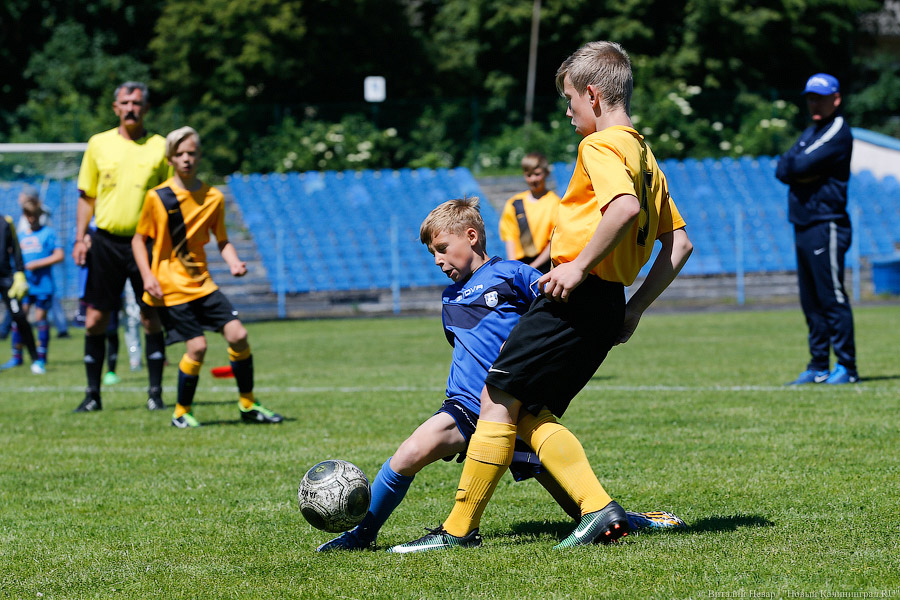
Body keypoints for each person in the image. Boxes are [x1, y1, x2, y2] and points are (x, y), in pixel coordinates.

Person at [389, 41, 693, 553]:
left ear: (593, 95)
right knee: (529, 410)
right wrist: (634, 309)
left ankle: (459, 533)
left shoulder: (600, 145)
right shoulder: (643, 153)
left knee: (497, 396)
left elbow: (619, 209)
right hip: (609, 301)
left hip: (579, 293)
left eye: (570, 99)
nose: (568, 110)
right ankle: (599, 510)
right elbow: (679, 244)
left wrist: (576, 267)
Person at [317, 198, 685, 552]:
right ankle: (361, 535)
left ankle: (637, 520)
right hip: (464, 406)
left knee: (576, 506)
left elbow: (549, 317)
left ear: (471, 237)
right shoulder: (449, 298)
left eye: (442, 248)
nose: (438, 260)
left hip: (514, 405)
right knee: (407, 455)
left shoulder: (513, 275)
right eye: (432, 253)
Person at [132, 126, 283, 427]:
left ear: (199, 156)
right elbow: (139, 240)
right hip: (171, 287)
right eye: (180, 154)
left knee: (238, 335)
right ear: (170, 158)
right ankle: (181, 412)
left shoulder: (213, 197)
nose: (186, 159)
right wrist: (148, 276)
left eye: (192, 153)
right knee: (197, 346)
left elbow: (222, 240)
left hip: (203, 284)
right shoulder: (157, 197)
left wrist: (235, 262)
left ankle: (248, 404)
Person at [72, 81, 170, 412]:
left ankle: (155, 395)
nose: (131, 108)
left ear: (146, 109)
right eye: (125, 102)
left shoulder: (160, 147)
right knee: (95, 318)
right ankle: (92, 395)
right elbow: (87, 196)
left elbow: (170, 198)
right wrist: (79, 237)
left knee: (149, 315)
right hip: (105, 242)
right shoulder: (98, 144)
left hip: (147, 243)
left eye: (137, 102)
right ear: (116, 108)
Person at [776, 73, 858, 385]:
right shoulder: (812, 131)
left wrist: (799, 171)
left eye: (820, 97)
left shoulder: (837, 130)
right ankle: (819, 365)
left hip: (828, 223)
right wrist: (799, 171)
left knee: (831, 296)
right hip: (804, 223)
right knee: (810, 300)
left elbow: (794, 167)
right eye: (810, 97)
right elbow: (783, 168)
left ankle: (847, 368)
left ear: (836, 99)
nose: (814, 102)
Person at [2, 193, 64, 374]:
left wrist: (38, 263)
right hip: (24, 285)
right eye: (28, 215)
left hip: (43, 284)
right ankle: (16, 356)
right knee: (19, 317)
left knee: (40, 319)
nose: (31, 219)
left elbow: (59, 255)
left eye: (34, 215)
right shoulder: (20, 235)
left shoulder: (48, 233)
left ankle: (41, 359)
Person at [498, 152, 560, 273]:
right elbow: (510, 237)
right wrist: (513, 266)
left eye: (537, 174)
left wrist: (532, 267)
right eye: (528, 175)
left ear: (546, 173)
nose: (533, 179)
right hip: (519, 265)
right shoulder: (514, 203)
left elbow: (554, 241)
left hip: (544, 265)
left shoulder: (555, 203)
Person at [1, 210, 39, 372]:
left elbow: (16, 249)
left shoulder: (5, 222)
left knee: (19, 317)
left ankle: (36, 360)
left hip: (5, 278)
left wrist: (20, 273)